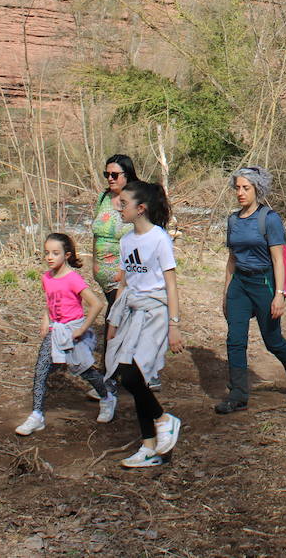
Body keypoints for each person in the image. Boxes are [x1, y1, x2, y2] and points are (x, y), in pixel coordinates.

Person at [105, 179, 184, 468]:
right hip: (132, 313)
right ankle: (149, 446)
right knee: (129, 375)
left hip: (156, 315)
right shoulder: (126, 241)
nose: (118, 208)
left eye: (123, 204)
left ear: (141, 209)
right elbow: (125, 284)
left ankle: (164, 420)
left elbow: (171, 286)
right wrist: (114, 321)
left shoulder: (159, 239)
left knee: (133, 375)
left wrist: (174, 326)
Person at [216, 165, 286, 414]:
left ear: (258, 189)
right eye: (237, 188)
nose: (240, 193)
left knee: (272, 340)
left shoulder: (269, 219)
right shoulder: (233, 220)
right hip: (239, 285)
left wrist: (279, 295)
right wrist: (226, 293)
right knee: (235, 340)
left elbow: (278, 259)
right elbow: (232, 259)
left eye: (246, 188)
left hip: (264, 283)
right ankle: (238, 394)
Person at [14, 232, 116, 436]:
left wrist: (83, 328)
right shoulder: (46, 277)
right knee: (41, 370)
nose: (50, 257)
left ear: (67, 255)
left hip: (72, 331)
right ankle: (37, 415)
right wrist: (46, 320)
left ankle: (107, 398)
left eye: (55, 253)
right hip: (55, 330)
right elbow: (49, 301)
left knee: (84, 370)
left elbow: (97, 304)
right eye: (47, 253)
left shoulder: (73, 279)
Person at [92, 154, 137, 304]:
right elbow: (96, 234)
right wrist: (95, 263)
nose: (110, 178)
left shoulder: (137, 200)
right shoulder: (103, 197)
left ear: (127, 174)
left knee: (114, 320)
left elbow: (142, 238)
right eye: (107, 174)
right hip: (102, 275)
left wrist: (123, 271)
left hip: (124, 276)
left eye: (115, 175)